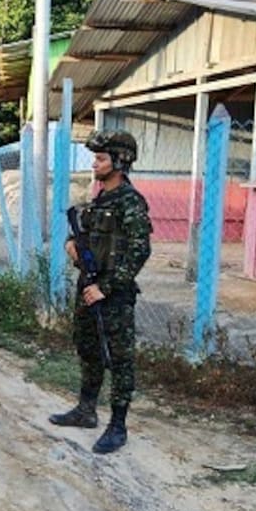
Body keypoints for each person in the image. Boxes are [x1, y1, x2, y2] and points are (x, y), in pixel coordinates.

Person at [50, 130, 152, 454]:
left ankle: (118, 427)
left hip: (113, 294)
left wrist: (105, 288)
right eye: (95, 157)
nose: (95, 163)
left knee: (119, 360)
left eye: (101, 158)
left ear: (120, 162)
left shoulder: (130, 202)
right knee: (89, 349)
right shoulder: (100, 199)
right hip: (88, 288)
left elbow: (139, 252)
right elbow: (86, 237)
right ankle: (86, 410)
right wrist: (71, 245)